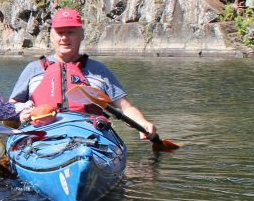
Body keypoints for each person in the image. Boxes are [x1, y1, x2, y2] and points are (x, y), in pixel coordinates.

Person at [8, 8, 156, 137]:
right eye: (60, 32)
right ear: (51, 36)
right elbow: (7, 116)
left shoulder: (99, 71)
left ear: (82, 35)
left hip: (89, 136)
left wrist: (142, 123)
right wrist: (20, 117)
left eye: (71, 32)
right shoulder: (33, 69)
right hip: (42, 135)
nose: (64, 38)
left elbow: (125, 108)